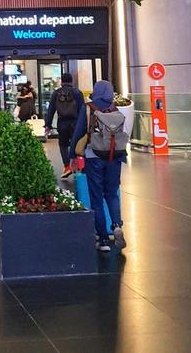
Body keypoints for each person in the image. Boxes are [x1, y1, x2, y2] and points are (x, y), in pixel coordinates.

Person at [70, 79, 127, 252]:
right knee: (112, 194)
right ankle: (116, 225)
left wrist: (72, 154)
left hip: (93, 157)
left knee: (96, 198)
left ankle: (102, 239)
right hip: (115, 157)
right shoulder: (116, 109)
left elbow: (79, 131)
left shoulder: (89, 108)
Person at [44, 73, 85, 179]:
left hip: (62, 123)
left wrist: (48, 125)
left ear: (61, 81)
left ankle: (67, 166)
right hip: (76, 123)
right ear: (72, 81)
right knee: (77, 144)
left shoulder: (56, 93)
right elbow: (82, 110)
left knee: (63, 145)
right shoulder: (77, 93)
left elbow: (51, 110)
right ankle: (79, 167)